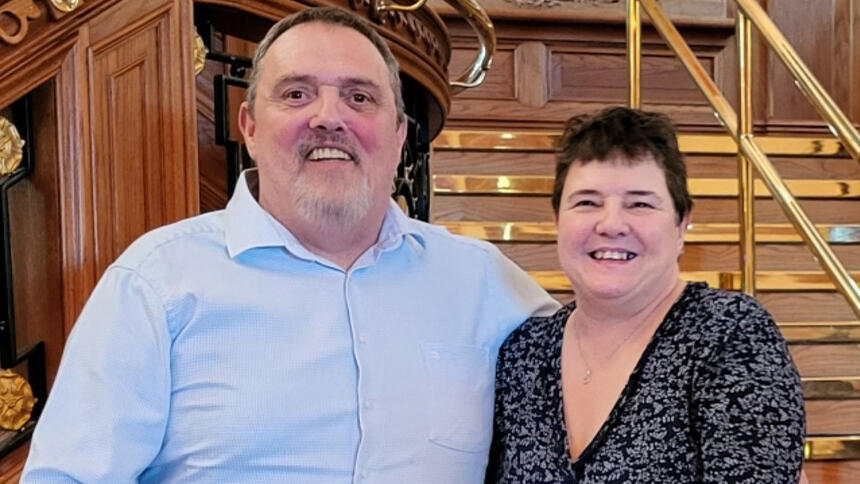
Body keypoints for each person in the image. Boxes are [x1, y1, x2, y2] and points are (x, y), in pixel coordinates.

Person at [21, 7, 558, 483]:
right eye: (297, 94)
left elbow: (608, 361)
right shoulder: (155, 285)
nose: (328, 117)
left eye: (359, 97)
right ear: (249, 127)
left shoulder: (481, 279)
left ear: (398, 136)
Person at [486, 107, 806, 483]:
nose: (611, 224)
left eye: (640, 203)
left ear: (681, 224)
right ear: (557, 220)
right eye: (587, 202)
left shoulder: (729, 334)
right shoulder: (524, 353)